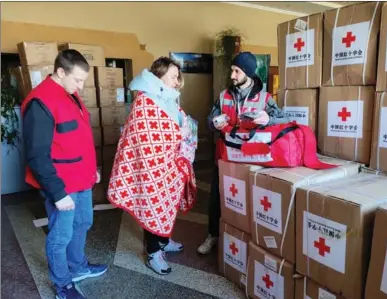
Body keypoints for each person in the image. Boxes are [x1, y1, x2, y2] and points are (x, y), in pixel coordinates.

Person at [21, 49, 108, 299]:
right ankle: (63, 285)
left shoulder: (70, 94)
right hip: (62, 185)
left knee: (83, 223)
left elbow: (77, 138)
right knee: (61, 236)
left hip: (82, 179)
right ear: (60, 72)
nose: (80, 86)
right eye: (77, 80)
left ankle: (78, 266)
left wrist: (93, 172)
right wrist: (58, 194)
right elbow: (37, 156)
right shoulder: (41, 101)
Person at [107, 57, 197, 275]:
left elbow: (176, 122)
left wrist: (187, 130)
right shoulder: (145, 101)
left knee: (167, 205)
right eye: (174, 77)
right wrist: (179, 133)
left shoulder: (166, 97)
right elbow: (144, 135)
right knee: (152, 206)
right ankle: (153, 253)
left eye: (177, 77)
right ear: (159, 76)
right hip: (151, 168)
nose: (177, 82)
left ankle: (164, 240)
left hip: (170, 165)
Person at [197, 52, 288, 255]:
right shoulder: (223, 96)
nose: (232, 75)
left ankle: (246, 240)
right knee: (216, 199)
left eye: (236, 71)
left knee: (249, 200)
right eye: (232, 70)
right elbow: (208, 121)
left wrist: (268, 120)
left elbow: (284, 120)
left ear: (247, 72)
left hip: (252, 160)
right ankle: (213, 235)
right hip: (225, 157)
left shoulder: (265, 99)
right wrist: (214, 122)